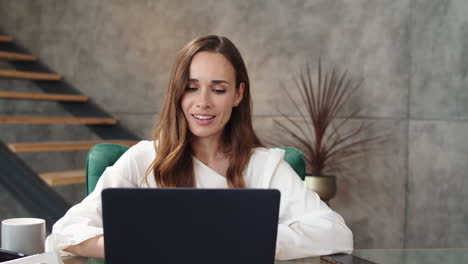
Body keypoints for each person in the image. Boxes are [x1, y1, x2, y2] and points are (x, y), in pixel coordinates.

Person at [45, 35, 353, 260]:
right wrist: (140, 244)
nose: (203, 102)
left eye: (218, 89)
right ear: (177, 93)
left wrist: (238, 242)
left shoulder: (265, 166)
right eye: (191, 88)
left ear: (238, 94)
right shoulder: (144, 159)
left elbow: (335, 232)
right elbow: (66, 231)